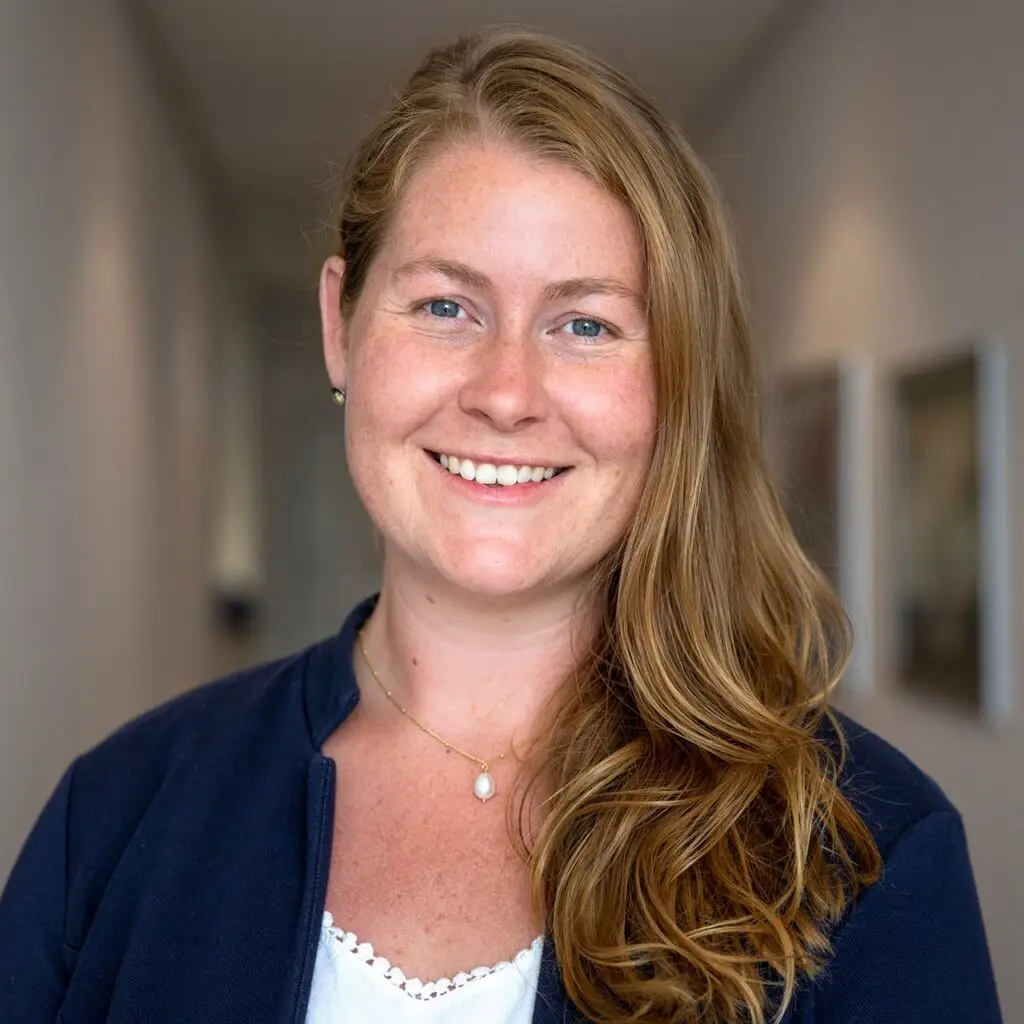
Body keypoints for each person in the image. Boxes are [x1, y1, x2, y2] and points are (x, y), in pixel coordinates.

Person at [0, 25, 1002, 1024]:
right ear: (339, 326)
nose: (507, 393)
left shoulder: (862, 854)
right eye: (444, 306)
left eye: (585, 325)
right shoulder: (121, 813)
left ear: (676, 381)